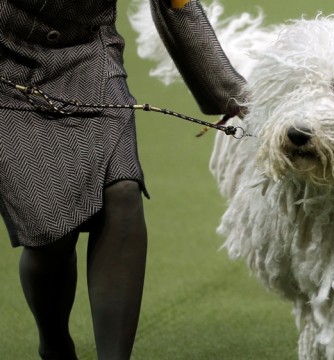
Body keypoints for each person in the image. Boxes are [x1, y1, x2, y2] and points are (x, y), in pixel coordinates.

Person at [0, 0, 245, 358]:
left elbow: (177, 6)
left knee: (123, 191)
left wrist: (233, 94)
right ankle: (54, 345)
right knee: (52, 236)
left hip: (89, 62)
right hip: (5, 70)